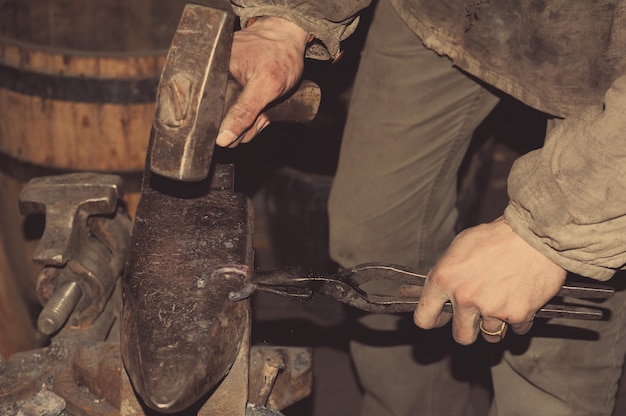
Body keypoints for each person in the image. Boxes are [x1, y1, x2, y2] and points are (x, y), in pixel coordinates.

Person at [217, 1, 626, 415]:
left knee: (546, 327)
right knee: (374, 238)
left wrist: (547, 234)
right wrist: (290, 17)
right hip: (444, 12)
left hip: (612, 44)